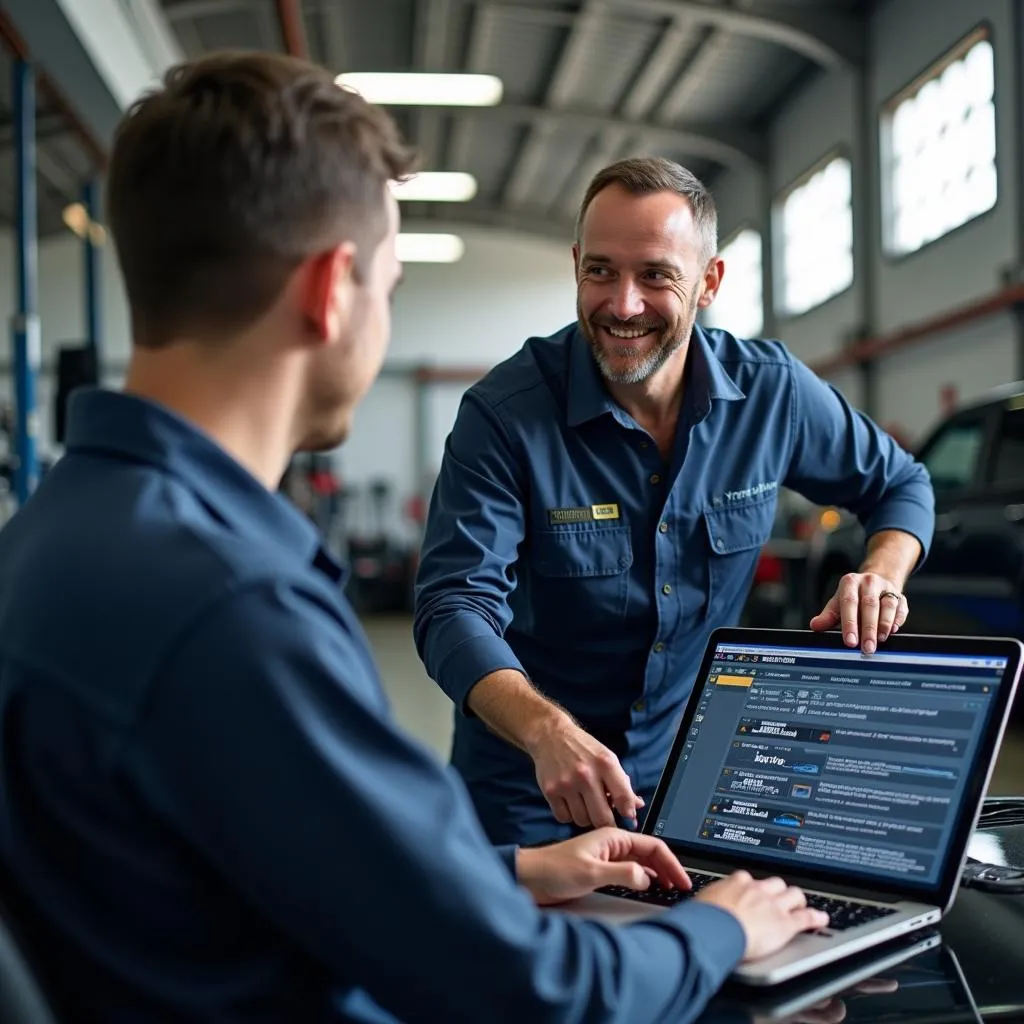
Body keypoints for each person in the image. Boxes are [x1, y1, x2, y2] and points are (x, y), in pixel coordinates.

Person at [0, 53, 828, 1024]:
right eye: (389, 284)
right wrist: (725, 925)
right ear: (331, 290)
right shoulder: (234, 607)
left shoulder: (49, 538)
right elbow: (532, 991)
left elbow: (262, 857)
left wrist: (511, 869)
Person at [413, 157, 935, 848]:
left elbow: (901, 483)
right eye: (600, 271)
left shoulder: (772, 395)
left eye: (656, 275)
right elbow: (453, 604)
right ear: (576, 266)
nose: (622, 304)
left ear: (709, 282)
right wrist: (547, 733)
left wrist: (882, 574)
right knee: (541, 956)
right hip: (535, 785)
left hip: (700, 778)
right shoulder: (504, 417)